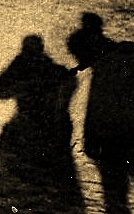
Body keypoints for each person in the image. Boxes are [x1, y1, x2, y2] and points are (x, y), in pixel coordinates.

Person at [68, 12, 134, 214]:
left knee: (114, 192)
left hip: (109, 139)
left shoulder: (101, 65)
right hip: (121, 136)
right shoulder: (105, 65)